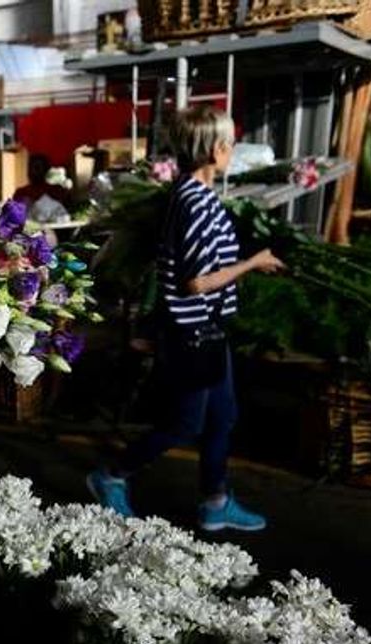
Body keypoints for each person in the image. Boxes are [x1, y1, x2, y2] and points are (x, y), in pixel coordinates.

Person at [87, 106, 284, 532]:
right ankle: (111, 473)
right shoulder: (194, 203)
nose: (231, 149)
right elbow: (196, 282)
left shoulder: (196, 196)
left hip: (209, 329)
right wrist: (252, 264)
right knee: (184, 423)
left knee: (223, 416)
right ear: (215, 150)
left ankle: (215, 501)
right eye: (229, 142)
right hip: (191, 331)